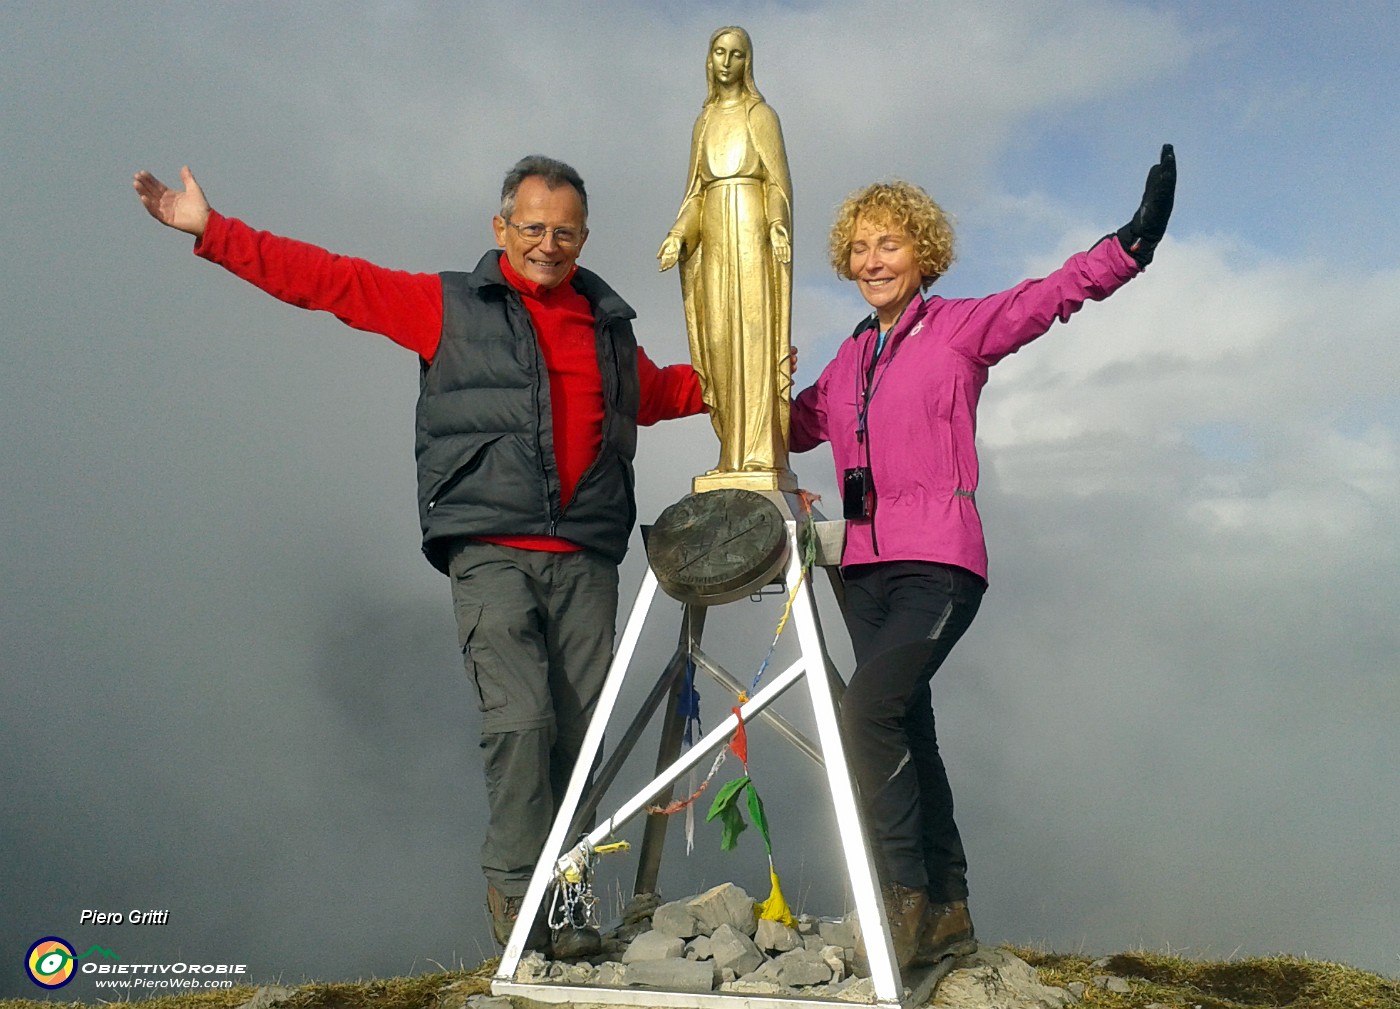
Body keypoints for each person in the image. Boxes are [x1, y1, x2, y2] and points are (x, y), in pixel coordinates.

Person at [132, 155, 706, 958]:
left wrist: (760, 390)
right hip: (491, 549)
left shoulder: (607, 325)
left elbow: (661, 392)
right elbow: (331, 281)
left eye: (565, 231)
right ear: (501, 227)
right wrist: (213, 232)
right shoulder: (449, 305)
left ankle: (571, 907)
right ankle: (516, 898)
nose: (548, 243)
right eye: (533, 227)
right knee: (521, 722)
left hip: (587, 557)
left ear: (585, 236)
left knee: (581, 739)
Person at [789, 146, 1177, 974]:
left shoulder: (959, 328)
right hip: (859, 568)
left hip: (939, 563)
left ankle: (904, 902)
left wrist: (1129, 246)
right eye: (859, 249)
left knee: (866, 714)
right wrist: (743, 381)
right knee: (906, 726)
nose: (871, 261)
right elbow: (791, 426)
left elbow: (1046, 299)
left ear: (922, 252)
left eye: (888, 244)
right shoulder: (848, 357)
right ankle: (951, 908)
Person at [658, 25, 794, 486]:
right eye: (719, 52)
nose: (726, 62)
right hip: (714, 241)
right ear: (709, 58)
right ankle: (731, 452)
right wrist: (679, 234)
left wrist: (777, 224)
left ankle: (759, 454)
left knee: (753, 343)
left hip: (753, 237)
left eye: (737, 54)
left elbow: (776, 184)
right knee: (720, 345)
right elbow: (695, 194)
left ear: (747, 62)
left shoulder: (762, 115)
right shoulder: (704, 122)